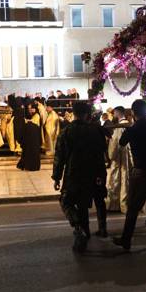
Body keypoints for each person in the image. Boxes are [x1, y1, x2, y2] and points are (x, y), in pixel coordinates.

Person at [113, 99, 146, 254]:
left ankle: (126, 240)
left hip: (141, 171)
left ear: (133, 113)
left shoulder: (133, 129)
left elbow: (122, 143)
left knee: (133, 208)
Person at [53, 102, 108, 252]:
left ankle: (79, 227)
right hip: (93, 172)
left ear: (74, 113)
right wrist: (101, 175)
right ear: (87, 114)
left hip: (74, 173)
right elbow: (102, 153)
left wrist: (56, 177)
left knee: (66, 201)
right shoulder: (96, 131)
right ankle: (87, 231)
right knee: (84, 203)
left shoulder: (67, 131)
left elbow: (59, 156)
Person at [105, 106, 133, 213]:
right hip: (127, 155)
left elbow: (116, 142)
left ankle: (115, 204)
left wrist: (111, 155)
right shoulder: (127, 125)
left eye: (114, 113)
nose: (114, 115)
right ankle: (125, 203)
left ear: (118, 113)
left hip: (119, 156)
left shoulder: (119, 126)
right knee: (126, 179)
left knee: (117, 179)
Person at [17, 103, 42, 171]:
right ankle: (31, 166)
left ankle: (30, 166)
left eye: (31, 109)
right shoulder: (33, 118)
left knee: (30, 152)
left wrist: (27, 121)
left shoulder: (36, 116)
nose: (30, 110)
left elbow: (34, 125)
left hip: (32, 139)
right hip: (33, 139)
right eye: (29, 109)